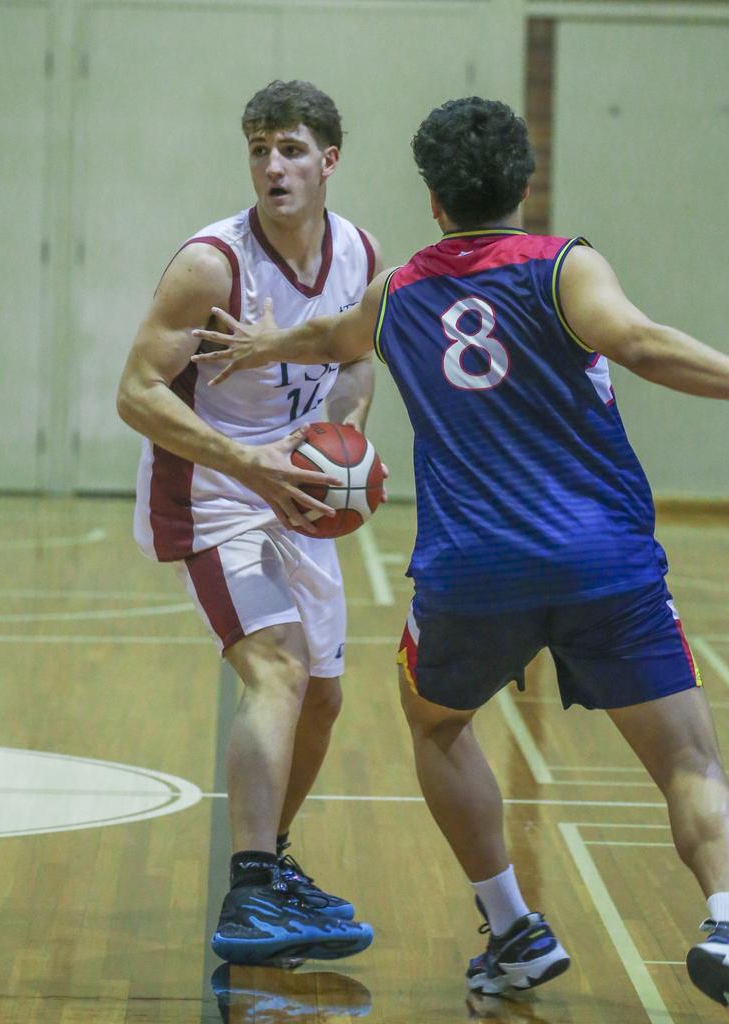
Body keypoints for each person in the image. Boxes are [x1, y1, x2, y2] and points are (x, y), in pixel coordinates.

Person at [191, 95, 729, 1004]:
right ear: (525, 184)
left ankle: (513, 925)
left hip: (473, 571)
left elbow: (330, 338)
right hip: (605, 561)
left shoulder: (399, 289)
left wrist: (261, 343)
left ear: (434, 201)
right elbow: (640, 344)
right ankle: (722, 915)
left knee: (435, 724)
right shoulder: (564, 265)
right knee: (689, 761)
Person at [116, 79, 384, 966]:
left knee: (325, 699)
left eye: (293, 149)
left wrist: (335, 443)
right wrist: (250, 464)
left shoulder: (358, 253)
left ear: (329, 160)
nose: (274, 166)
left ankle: (268, 868)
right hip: (211, 486)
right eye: (261, 149)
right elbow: (136, 392)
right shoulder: (211, 265)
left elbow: (355, 363)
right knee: (277, 666)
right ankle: (251, 893)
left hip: (291, 481)